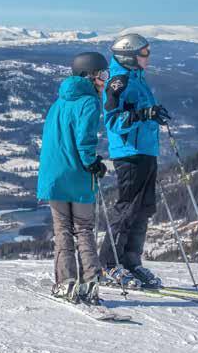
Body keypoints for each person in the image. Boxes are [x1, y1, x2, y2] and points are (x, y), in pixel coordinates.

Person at [37, 52, 109, 305]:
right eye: (102, 75)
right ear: (88, 75)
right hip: (78, 175)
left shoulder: (58, 103)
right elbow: (85, 140)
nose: (105, 81)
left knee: (63, 231)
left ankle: (66, 283)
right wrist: (93, 163)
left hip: (54, 177)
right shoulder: (89, 102)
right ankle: (90, 282)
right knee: (83, 229)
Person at [99, 33, 171, 289]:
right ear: (129, 56)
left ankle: (131, 261)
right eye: (144, 53)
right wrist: (143, 114)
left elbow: (140, 115)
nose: (148, 57)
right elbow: (112, 122)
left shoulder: (138, 80)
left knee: (143, 209)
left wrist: (154, 115)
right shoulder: (119, 82)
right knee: (127, 209)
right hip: (129, 153)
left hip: (146, 151)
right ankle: (108, 264)